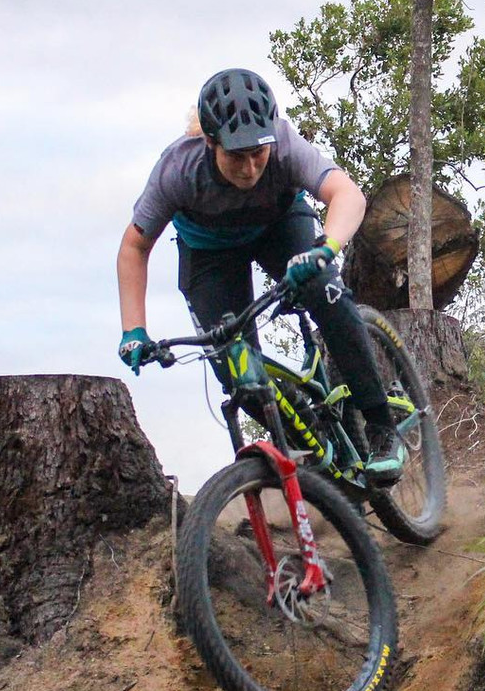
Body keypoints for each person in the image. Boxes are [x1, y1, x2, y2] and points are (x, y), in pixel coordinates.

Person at [115, 67, 406, 482]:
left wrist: (326, 248)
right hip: (209, 253)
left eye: (259, 153)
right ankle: (314, 449)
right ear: (210, 142)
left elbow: (347, 193)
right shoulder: (177, 171)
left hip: (278, 228)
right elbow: (134, 247)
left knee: (325, 290)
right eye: (237, 155)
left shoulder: (284, 145)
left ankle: (380, 425)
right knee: (238, 371)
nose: (250, 167)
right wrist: (134, 331)